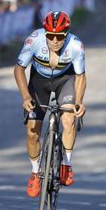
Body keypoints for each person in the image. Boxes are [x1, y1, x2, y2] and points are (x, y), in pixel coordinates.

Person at [14, 11, 87, 198]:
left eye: (59, 36)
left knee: (69, 120)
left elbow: (80, 76)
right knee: (32, 132)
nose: (55, 40)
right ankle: (35, 172)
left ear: (66, 34)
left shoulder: (76, 46)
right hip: (39, 82)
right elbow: (19, 69)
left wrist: (78, 102)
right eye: (51, 36)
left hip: (65, 80)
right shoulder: (34, 41)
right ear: (45, 33)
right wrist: (25, 97)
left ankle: (66, 164)